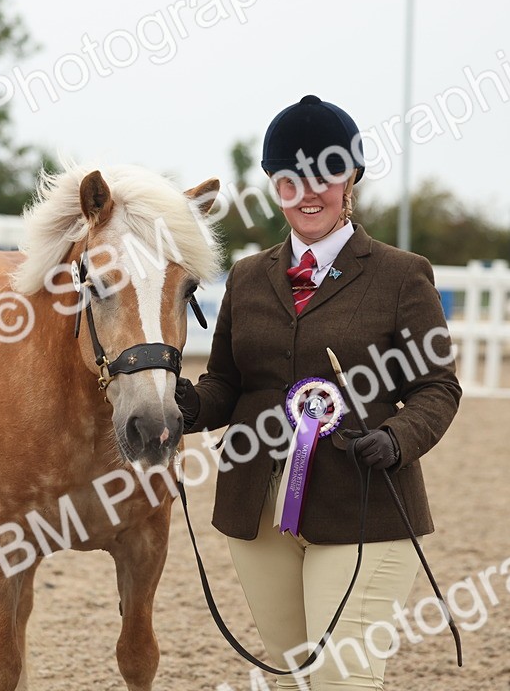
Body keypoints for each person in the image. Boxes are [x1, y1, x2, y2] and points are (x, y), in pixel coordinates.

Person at [175, 94, 461, 690]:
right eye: (290, 178)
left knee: (343, 679)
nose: (309, 192)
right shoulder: (249, 276)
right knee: (297, 675)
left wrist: (396, 438)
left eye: (326, 175)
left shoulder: (401, 274)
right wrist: (188, 406)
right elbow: (228, 382)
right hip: (259, 508)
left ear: (351, 178)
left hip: (364, 503)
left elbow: (438, 385)